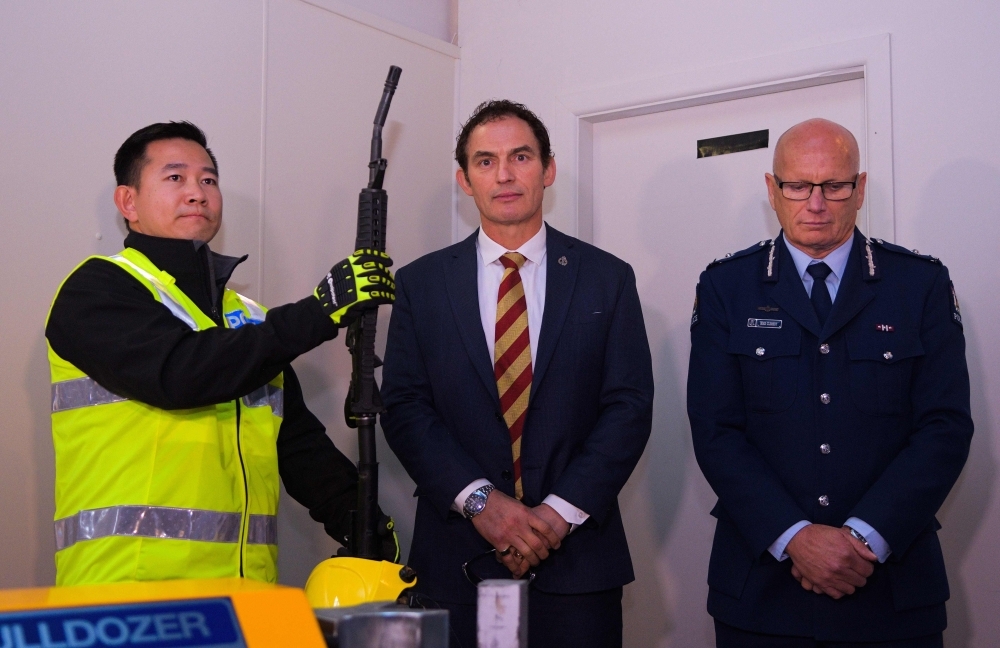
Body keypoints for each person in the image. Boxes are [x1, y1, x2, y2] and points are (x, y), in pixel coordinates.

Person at [46, 121, 398, 586]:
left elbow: (297, 445)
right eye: (175, 178)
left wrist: (364, 521)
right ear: (127, 202)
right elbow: (180, 373)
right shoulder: (97, 289)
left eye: (208, 179)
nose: (197, 193)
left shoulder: (248, 319)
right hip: (128, 596)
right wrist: (320, 312)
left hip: (244, 597)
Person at [688, 118, 973, 647]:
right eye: (798, 186)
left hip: (891, 590)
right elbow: (715, 430)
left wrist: (862, 537)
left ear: (860, 189)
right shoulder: (727, 286)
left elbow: (945, 428)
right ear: (772, 191)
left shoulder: (920, 284)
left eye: (834, 186)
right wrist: (796, 538)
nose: (815, 204)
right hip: (762, 594)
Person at [379, 99, 654, 648]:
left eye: (520, 156)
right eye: (485, 161)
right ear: (464, 179)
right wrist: (481, 502)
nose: (503, 174)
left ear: (548, 169)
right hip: (458, 560)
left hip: (577, 564)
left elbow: (628, 408)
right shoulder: (421, 284)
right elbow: (405, 408)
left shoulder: (608, 278)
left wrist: (554, 515)